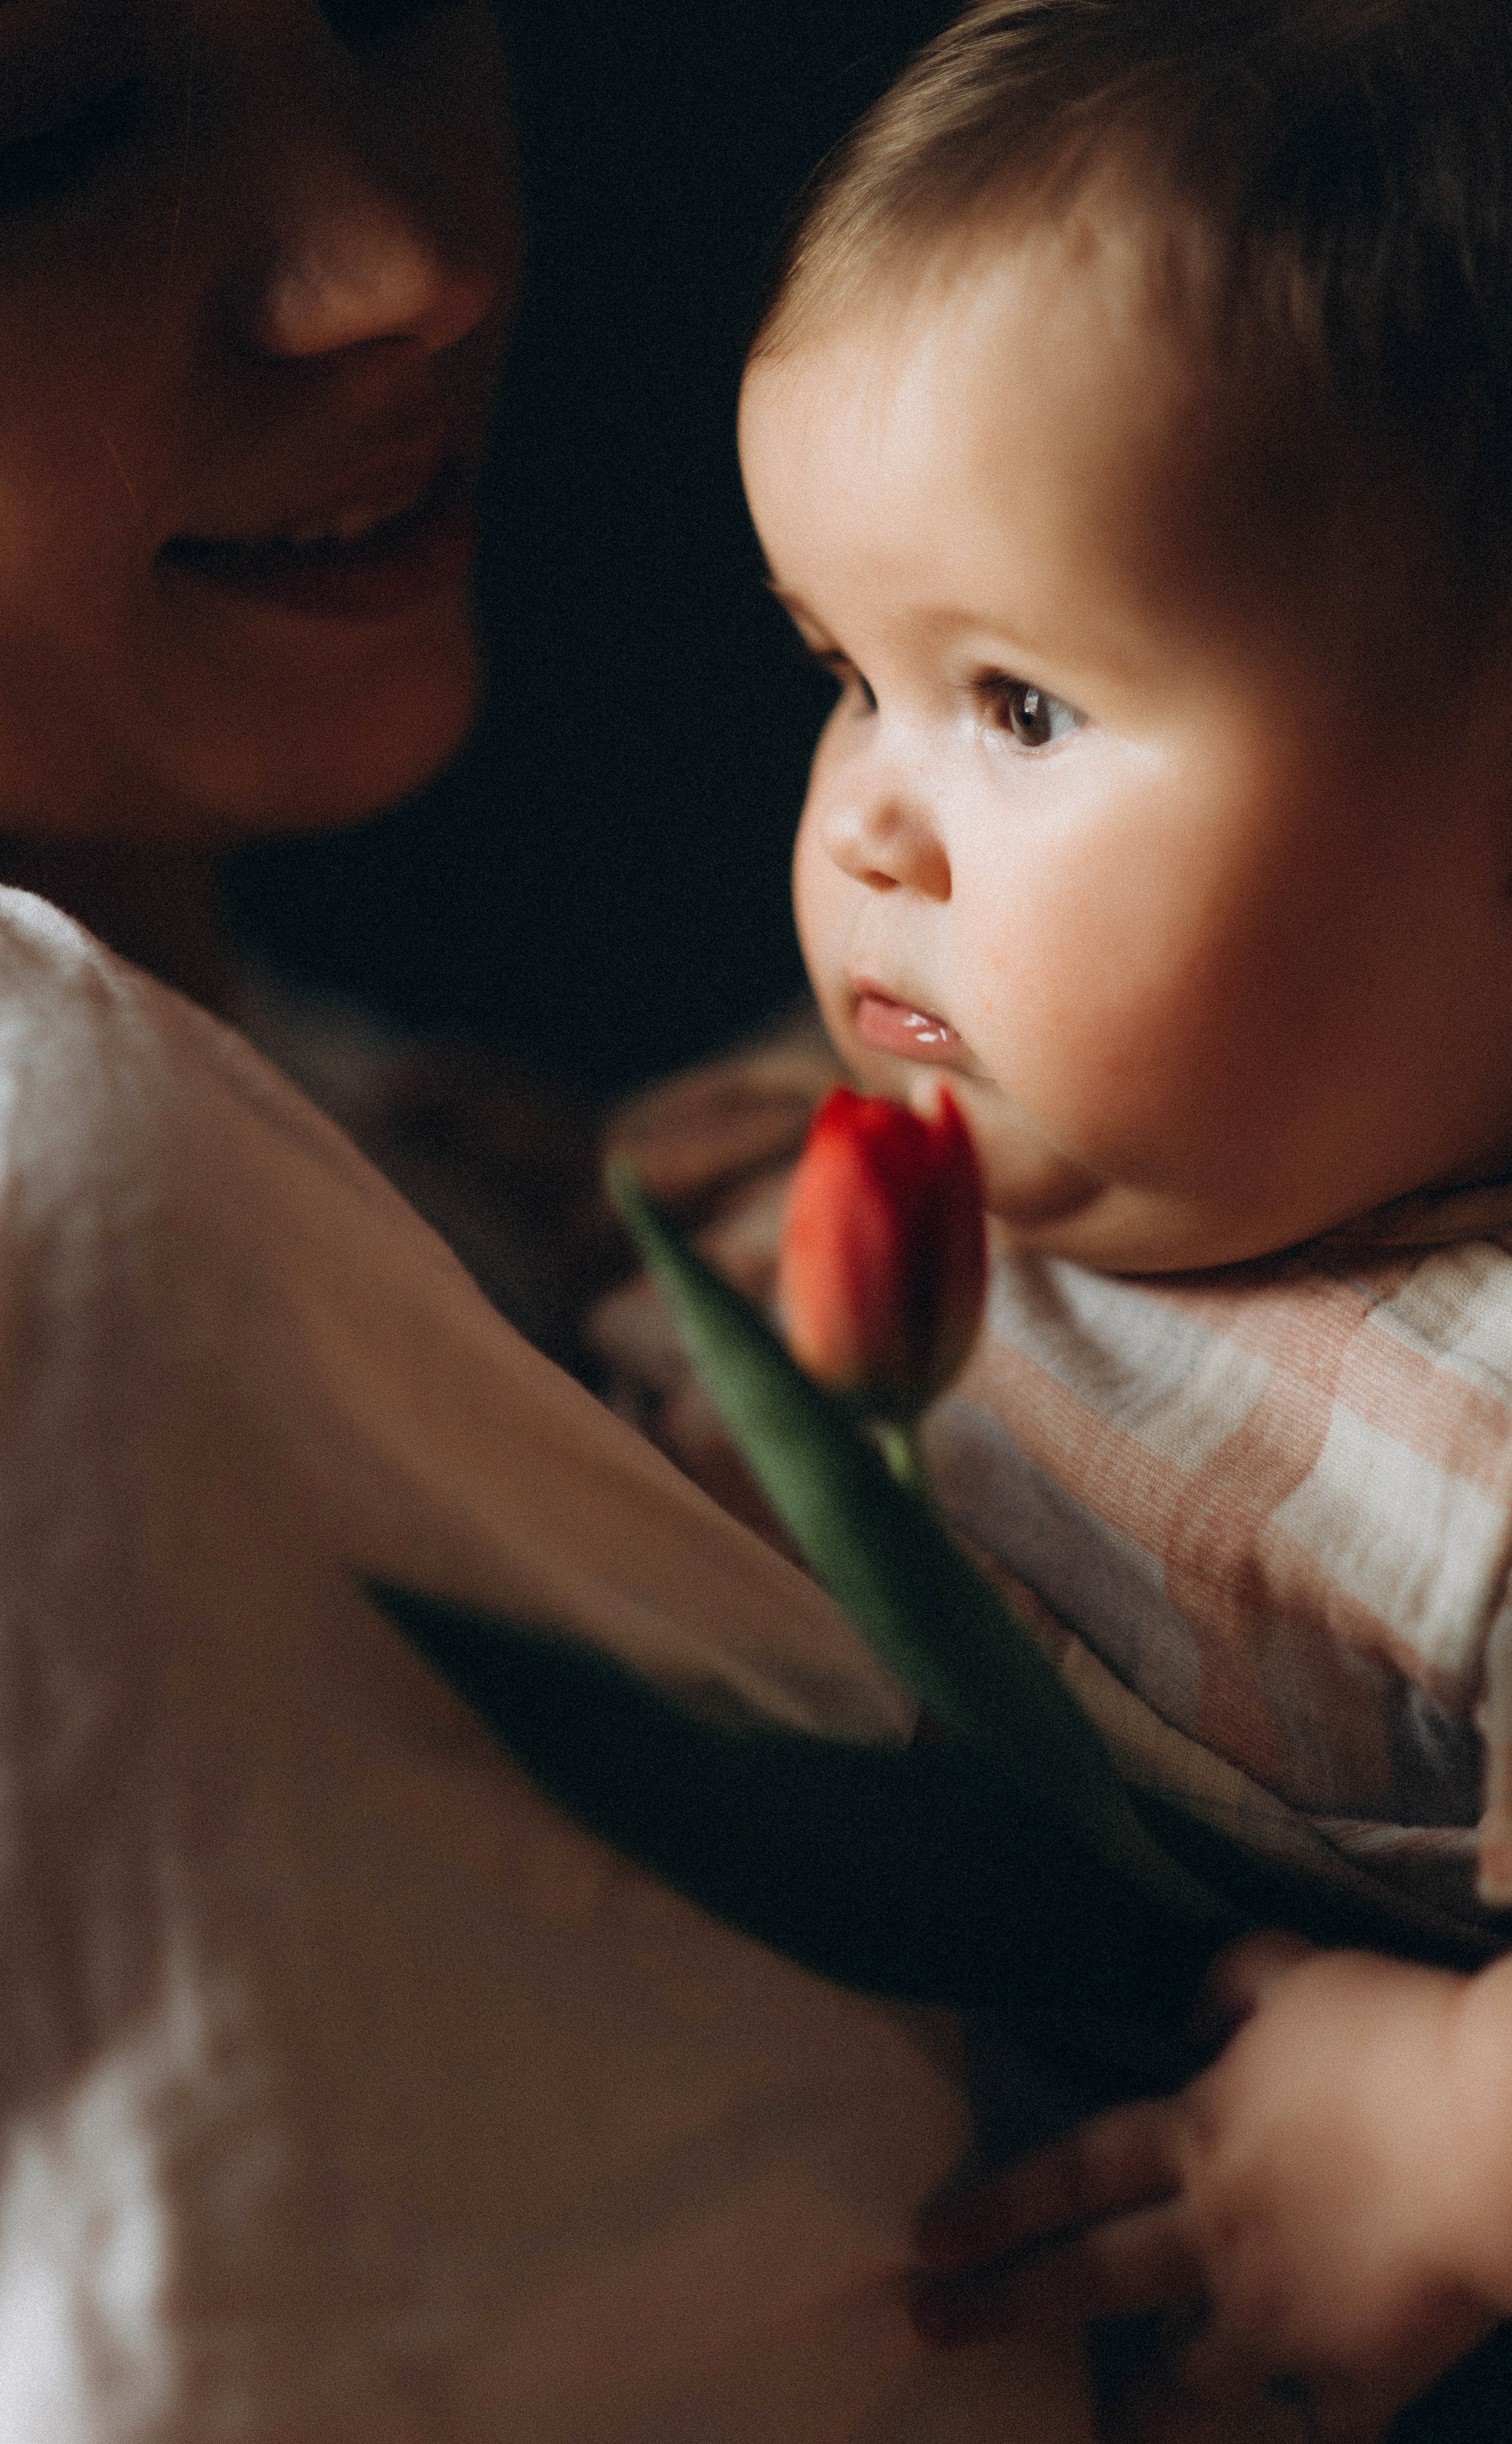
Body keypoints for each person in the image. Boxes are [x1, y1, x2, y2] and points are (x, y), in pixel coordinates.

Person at [0, 6, 1103, 2436]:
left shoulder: (467, 1135)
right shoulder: (59, 1211)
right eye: (53, 149)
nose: (404, 268)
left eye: (402, 10)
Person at [595, 0, 1512, 2433]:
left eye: (1019, 709)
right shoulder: (907, 1123)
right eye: (844, 671)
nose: (868, 818)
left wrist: (1480, 2138)